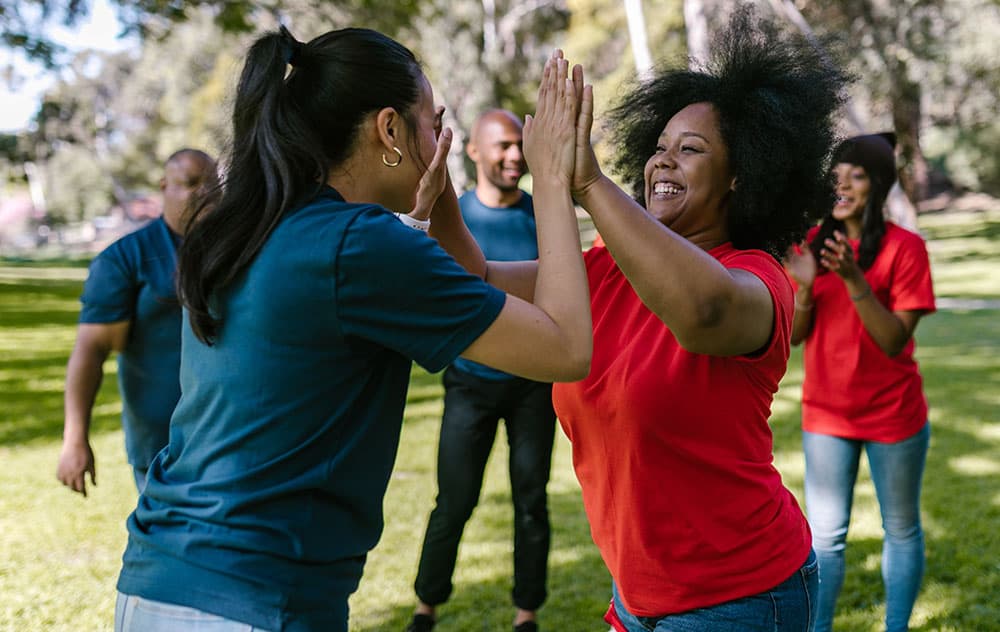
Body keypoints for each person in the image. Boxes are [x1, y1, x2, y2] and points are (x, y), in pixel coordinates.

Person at [113, 26, 591, 632]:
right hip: (253, 600)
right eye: (430, 120)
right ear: (389, 130)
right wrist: (550, 177)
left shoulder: (257, 225)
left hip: (162, 582)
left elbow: (474, 277)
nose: (438, 135)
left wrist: (437, 192)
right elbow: (566, 347)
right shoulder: (357, 246)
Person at [431, 6, 849, 631]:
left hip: (739, 596)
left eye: (690, 149)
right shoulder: (603, 269)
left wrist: (587, 182)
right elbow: (478, 282)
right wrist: (434, 181)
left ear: (741, 176)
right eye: (658, 147)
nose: (662, 162)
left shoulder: (758, 280)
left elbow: (701, 312)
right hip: (637, 597)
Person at [407, 110, 555, 632]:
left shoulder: (544, 218)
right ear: (474, 151)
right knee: (454, 501)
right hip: (470, 383)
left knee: (531, 503)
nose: (515, 155)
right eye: (504, 146)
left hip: (534, 385)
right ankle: (426, 607)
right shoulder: (457, 217)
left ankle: (526, 613)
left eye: (520, 145)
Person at [783, 133, 935, 632]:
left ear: (879, 184)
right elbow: (796, 336)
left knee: (901, 528)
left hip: (894, 413)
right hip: (827, 415)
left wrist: (853, 280)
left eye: (858, 174)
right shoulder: (810, 243)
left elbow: (893, 340)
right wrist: (805, 287)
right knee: (824, 538)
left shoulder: (905, 248)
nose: (843, 183)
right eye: (837, 173)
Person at [56, 148, 218, 495]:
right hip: (162, 448)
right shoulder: (126, 259)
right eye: (191, 184)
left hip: (232, 440)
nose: (205, 194)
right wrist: (75, 440)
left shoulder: (238, 249)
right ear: (164, 186)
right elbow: (91, 350)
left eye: (212, 184)